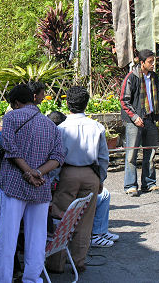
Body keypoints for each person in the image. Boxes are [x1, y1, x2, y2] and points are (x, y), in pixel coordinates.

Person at [0, 84, 64, 283]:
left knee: (7, 238)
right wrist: (38, 172)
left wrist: (27, 171)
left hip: (14, 185)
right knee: (37, 238)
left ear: (16, 103)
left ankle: (2, 280)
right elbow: (58, 157)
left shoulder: (11, 117)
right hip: (40, 186)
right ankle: (32, 279)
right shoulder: (50, 125)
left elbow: (9, 147)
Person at [47, 86, 109, 273]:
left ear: (67, 104)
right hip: (90, 174)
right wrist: (100, 178)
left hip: (67, 174)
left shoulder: (61, 128)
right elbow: (103, 158)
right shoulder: (97, 127)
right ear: (86, 104)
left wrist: (52, 180)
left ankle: (56, 263)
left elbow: (55, 159)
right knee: (85, 220)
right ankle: (79, 261)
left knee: (61, 218)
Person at [120, 49, 159, 196]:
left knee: (150, 152)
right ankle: (130, 186)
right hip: (135, 122)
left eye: (153, 61)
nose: (153, 64)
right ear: (142, 62)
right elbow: (124, 101)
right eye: (150, 62)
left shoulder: (154, 77)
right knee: (131, 154)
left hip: (150, 119)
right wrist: (134, 117)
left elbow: (158, 97)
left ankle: (149, 183)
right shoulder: (131, 78)